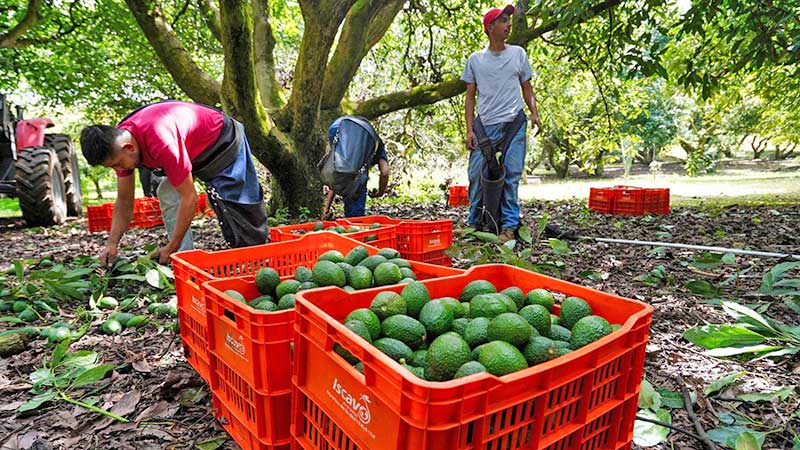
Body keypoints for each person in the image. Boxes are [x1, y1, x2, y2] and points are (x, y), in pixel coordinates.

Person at [80, 100, 268, 267]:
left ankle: (258, 257)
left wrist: (172, 244)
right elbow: (124, 200)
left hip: (222, 140)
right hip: (189, 149)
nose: (119, 169)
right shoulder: (119, 144)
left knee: (237, 201)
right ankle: (182, 257)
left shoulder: (161, 140)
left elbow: (189, 198)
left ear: (128, 148)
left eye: (118, 164)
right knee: (168, 194)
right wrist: (112, 244)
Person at [462, 4, 542, 244]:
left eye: (509, 20)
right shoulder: (475, 60)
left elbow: (527, 88)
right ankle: (473, 223)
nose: (508, 25)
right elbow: (469, 98)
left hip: (513, 124)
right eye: (504, 21)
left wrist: (535, 113)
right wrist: (469, 130)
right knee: (476, 174)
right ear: (490, 28)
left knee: (511, 175)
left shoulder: (518, 54)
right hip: (485, 126)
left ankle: (508, 226)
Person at [321, 116, 389, 219]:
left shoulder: (351, 159)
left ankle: (351, 220)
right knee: (358, 180)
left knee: (345, 173)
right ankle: (355, 220)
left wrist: (326, 208)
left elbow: (338, 174)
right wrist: (380, 192)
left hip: (338, 126)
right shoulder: (376, 145)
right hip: (348, 127)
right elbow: (385, 172)